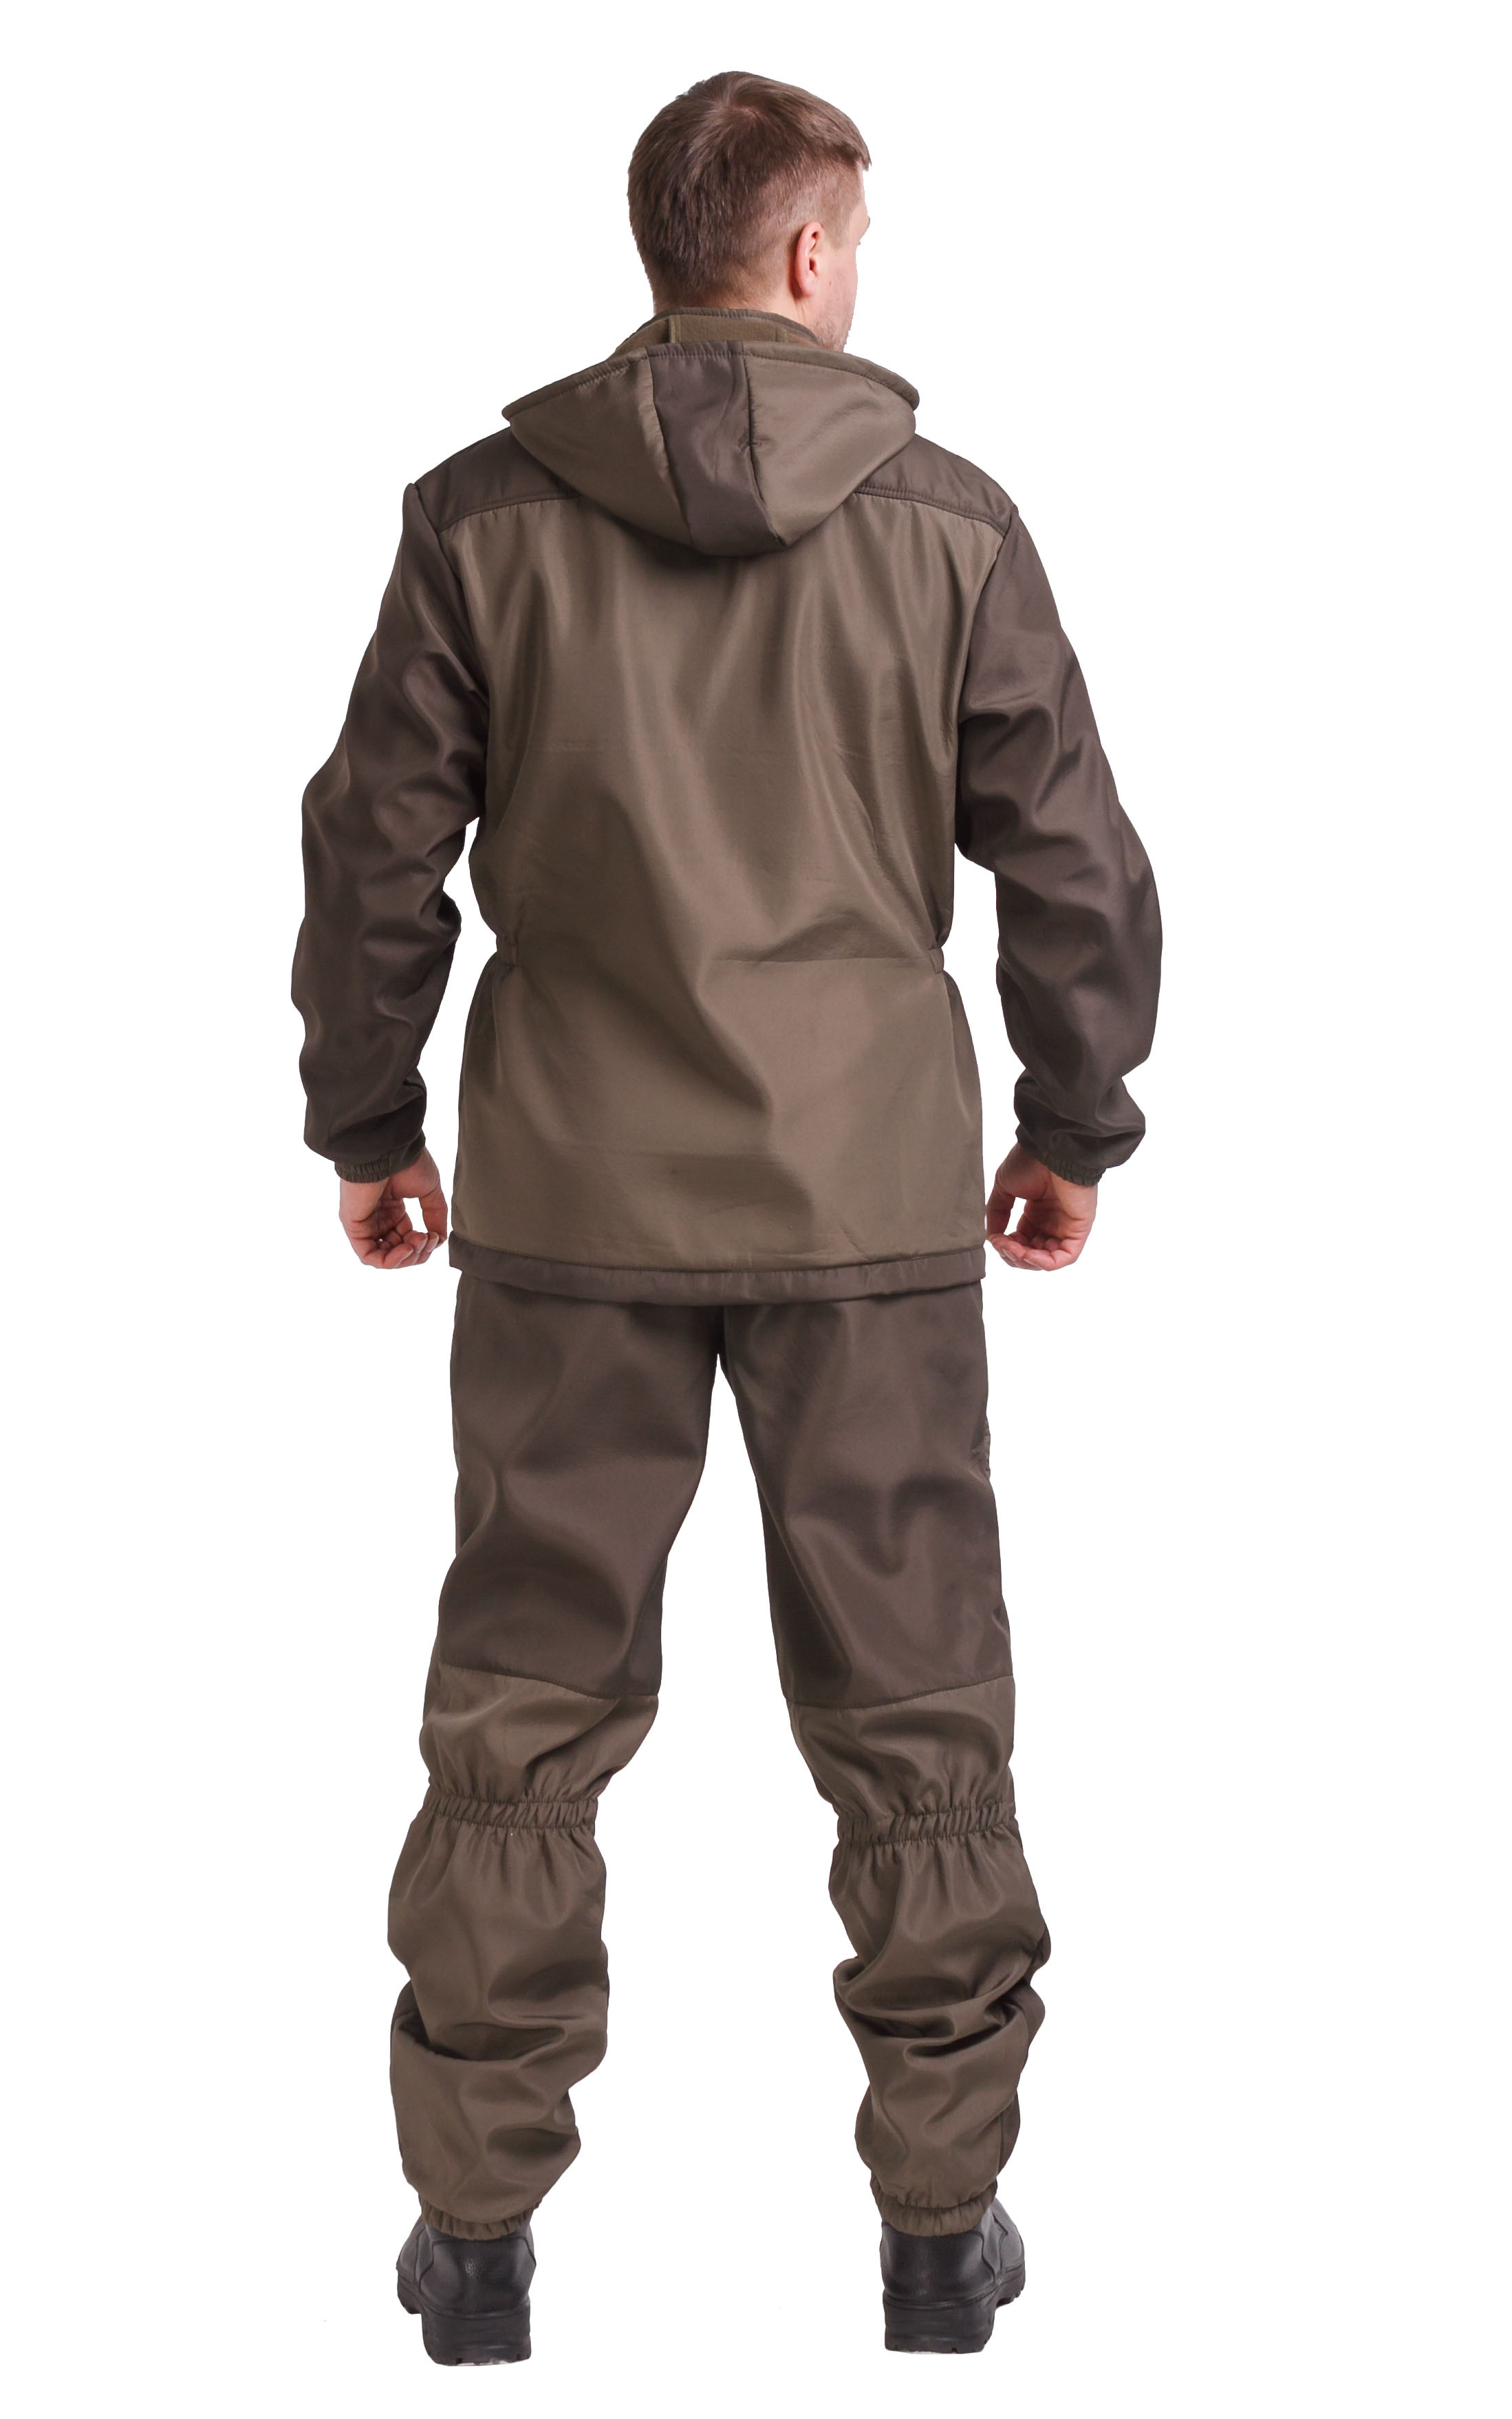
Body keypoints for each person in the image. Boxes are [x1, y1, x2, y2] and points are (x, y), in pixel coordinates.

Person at [293, 69, 1160, 2367]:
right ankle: (940, 2230)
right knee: (916, 1709)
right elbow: (1074, 857)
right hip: (869, 1212)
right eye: (856, 239)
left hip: (567, 1209)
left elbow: (373, 847)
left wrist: (368, 1113)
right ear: (802, 255)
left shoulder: (481, 519)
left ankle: (474, 2237)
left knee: (522, 1711)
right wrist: (1076, 1119)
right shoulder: (951, 525)